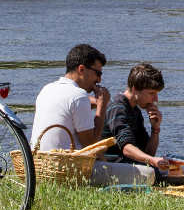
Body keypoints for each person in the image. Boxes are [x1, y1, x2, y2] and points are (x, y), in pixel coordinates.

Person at [30, 44, 151, 186]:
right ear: (81, 69)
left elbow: (71, 105)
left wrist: (96, 102)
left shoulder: (47, 89)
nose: (99, 80)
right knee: (148, 174)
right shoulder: (78, 96)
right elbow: (91, 144)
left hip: (39, 166)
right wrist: (101, 106)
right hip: (68, 170)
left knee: (115, 162)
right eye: (97, 73)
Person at [101, 63, 169, 183]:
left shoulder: (135, 110)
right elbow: (126, 149)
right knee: (158, 172)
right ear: (134, 89)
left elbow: (148, 153)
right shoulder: (117, 107)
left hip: (129, 163)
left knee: (176, 161)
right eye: (152, 93)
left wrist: (155, 129)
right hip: (113, 165)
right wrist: (153, 161)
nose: (156, 99)